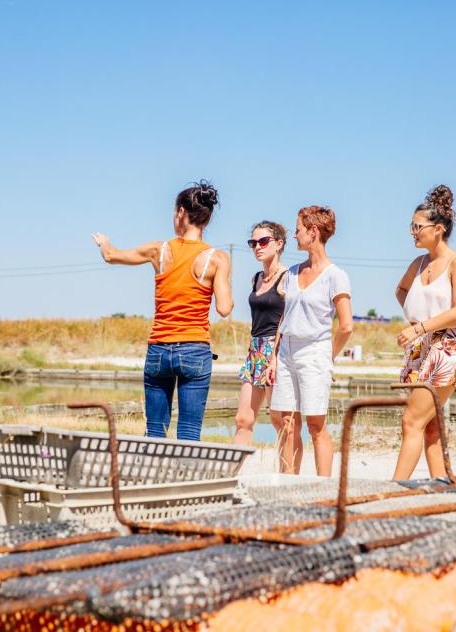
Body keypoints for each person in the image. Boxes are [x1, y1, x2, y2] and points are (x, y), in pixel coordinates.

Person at [92, 181, 233, 441]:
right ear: (208, 217)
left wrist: (104, 243)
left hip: (159, 348)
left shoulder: (159, 250)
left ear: (180, 212)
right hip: (195, 349)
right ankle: (186, 479)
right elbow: (224, 308)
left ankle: (152, 476)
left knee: (155, 431)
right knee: (190, 433)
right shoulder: (217, 258)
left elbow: (111, 256)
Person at [394, 185, 456, 480]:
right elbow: (401, 290)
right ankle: (443, 485)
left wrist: (420, 326)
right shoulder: (418, 263)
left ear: (438, 229)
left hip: (446, 348)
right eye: (411, 226)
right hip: (418, 349)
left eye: (417, 226)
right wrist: (415, 320)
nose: (412, 232)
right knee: (430, 426)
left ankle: (395, 489)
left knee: (411, 420)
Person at [270, 206, 353, 476]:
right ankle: (288, 483)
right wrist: (274, 355)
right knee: (287, 422)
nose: (294, 236)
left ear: (313, 231)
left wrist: (328, 355)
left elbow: (346, 326)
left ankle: (324, 488)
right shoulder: (292, 273)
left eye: (298, 230)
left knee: (316, 424)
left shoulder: (335, 275)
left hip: (315, 352)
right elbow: (284, 319)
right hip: (286, 352)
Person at [234, 221, 288, 449]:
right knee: (243, 419)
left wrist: (274, 357)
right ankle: (232, 476)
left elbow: (287, 320)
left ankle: (286, 475)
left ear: (279, 244)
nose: (257, 246)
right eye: (253, 242)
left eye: (263, 241)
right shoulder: (256, 277)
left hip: (274, 350)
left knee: (280, 421)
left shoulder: (287, 277)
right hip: (254, 350)